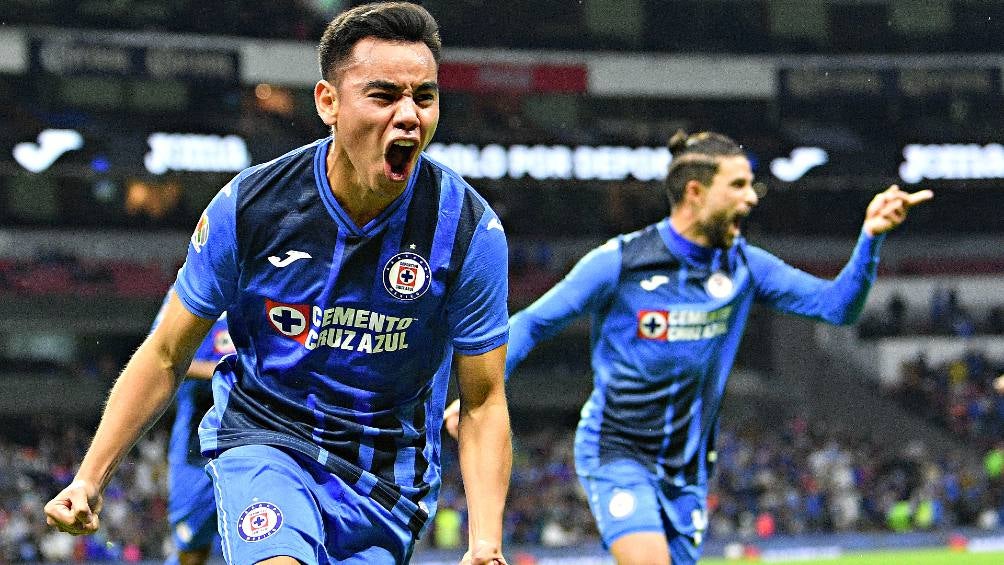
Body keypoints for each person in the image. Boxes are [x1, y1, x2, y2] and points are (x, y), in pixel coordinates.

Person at [45, 4, 512, 565]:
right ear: (328, 102)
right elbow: (167, 353)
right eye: (384, 96)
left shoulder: (468, 230)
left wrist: (485, 542)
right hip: (266, 439)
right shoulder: (252, 207)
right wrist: (90, 478)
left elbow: (483, 401)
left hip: (383, 481)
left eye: (425, 97)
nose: (410, 116)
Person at [446, 130, 932, 565]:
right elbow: (533, 323)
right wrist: (479, 395)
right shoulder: (622, 261)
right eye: (738, 185)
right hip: (618, 451)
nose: (751, 198)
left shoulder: (746, 266)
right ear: (696, 193)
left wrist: (870, 238)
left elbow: (836, 307)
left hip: (688, 470)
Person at [161, 305, 234, 565]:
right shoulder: (190, 297)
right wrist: (228, 372)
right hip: (197, 448)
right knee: (192, 546)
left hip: (256, 440)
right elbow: (164, 357)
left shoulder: (269, 292)